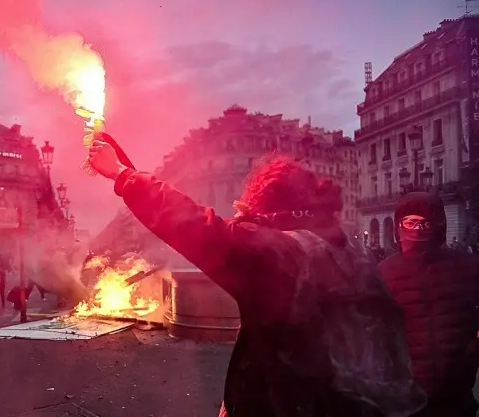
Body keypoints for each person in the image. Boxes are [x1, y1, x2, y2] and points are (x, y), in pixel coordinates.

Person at [87, 140, 425, 417]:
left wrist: (121, 174)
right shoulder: (349, 249)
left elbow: (193, 226)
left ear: (267, 208)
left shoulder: (280, 255)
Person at [379, 192, 479, 417]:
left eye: (425, 223)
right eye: (411, 222)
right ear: (399, 225)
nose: (418, 229)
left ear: (438, 225)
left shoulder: (467, 265)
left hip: (458, 392)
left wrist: (474, 348)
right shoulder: (385, 272)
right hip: (409, 395)